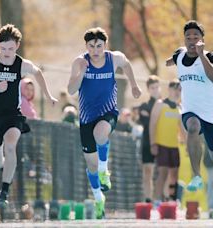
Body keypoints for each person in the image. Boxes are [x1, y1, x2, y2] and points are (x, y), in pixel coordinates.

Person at [0, 24, 57, 208]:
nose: (6, 53)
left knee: (11, 146)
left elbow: (38, 73)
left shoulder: (22, 64)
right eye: (3, 48)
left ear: (17, 46)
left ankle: (4, 190)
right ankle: (5, 167)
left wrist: (48, 95)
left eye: (10, 49)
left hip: (13, 115)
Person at [67, 27, 141, 219]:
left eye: (99, 46)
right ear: (86, 46)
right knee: (90, 165)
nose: (95, 50)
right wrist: (81, 73)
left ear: (105, 45)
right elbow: (71, 90)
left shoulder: (114, 58)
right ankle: (99, 198)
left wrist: (133, 85)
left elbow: (127, 65)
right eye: (91, 46)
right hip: (86, 118)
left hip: (108, 111)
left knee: (100, 134)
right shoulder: (79, 61)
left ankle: (104, 170)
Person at [166, 20, 213, 202]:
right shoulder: (180, 55)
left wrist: (202, 56)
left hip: (211, 115)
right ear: (184, 40)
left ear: (203, 39)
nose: (192, 40)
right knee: (192, 127)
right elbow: (170, 61)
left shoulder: (212, 57)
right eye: (188, 37)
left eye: (196, 37)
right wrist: (170, 61)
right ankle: (196, 175)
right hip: (190, 110)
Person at [149, 80, 181, 202]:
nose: (177, 92)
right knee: (163, 173)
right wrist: (153, 143)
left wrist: (188, 144)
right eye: (175, 89)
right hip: (161, 144)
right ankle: (156, 201)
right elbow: (153, 124)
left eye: (179, 90)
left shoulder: (179, 108)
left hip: (174, 146)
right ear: (170, 89)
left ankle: (171, 200)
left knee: (174, 175)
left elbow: (182, 129)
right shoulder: (160, 104)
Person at [138, 75, 161, 203]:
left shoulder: (165, 104)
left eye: (157, 87)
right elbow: (147, 122)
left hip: (163, 141)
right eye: (152, 88)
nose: (155, 90)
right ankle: (148, 200)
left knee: (163, 172)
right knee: (148, 172)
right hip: (147, 142)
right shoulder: (144, 106)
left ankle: (161, 200)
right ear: (148, 89)